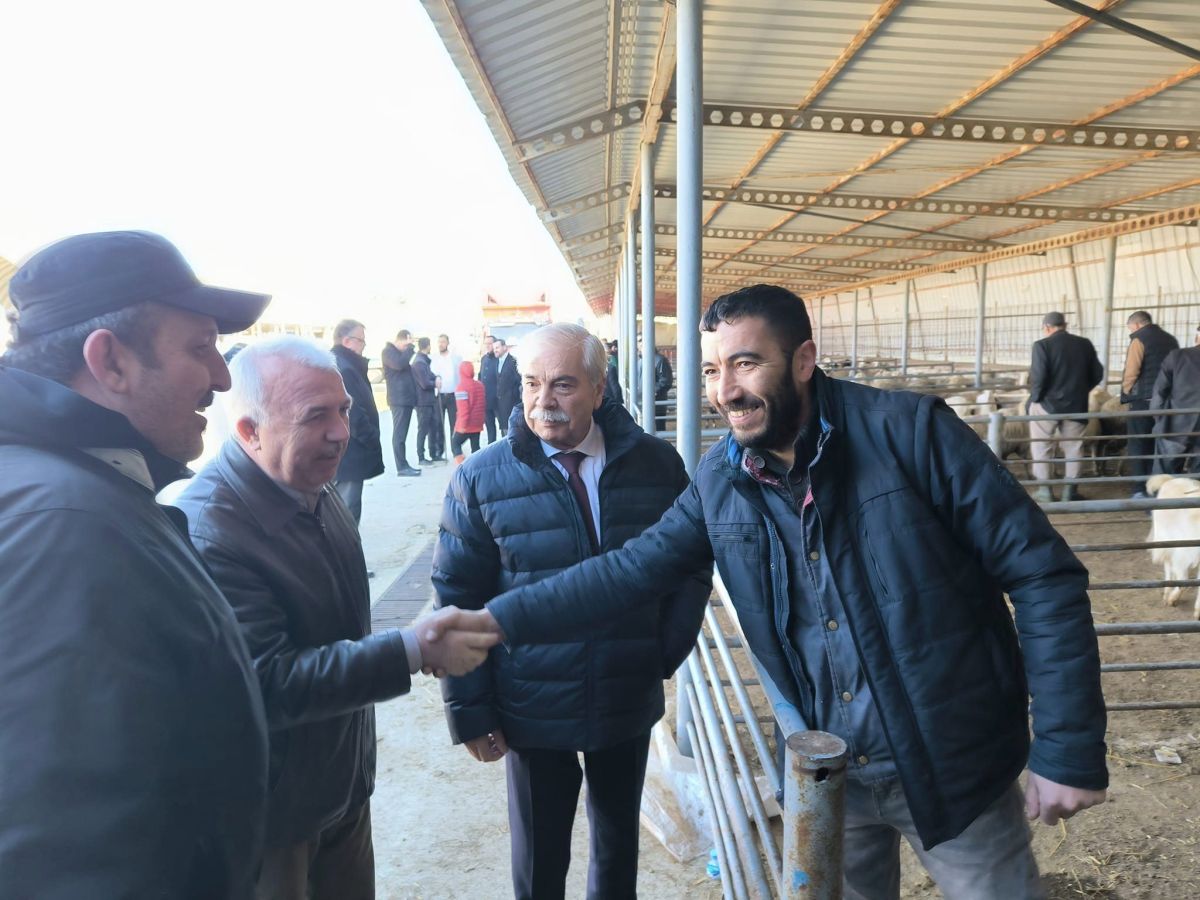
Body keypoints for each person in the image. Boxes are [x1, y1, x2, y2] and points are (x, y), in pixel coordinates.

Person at [469, 285, 1108, 900]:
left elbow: (1042, 574)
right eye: (713, 370)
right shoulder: (721, 478)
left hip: (948, 762)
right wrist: (493, 622)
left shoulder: (910, 434)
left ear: (803, 360)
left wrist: (1068, 747)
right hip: (824, 770)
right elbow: (630, 570)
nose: (726, 390)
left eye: (746, 363)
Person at [175, 338, 499, 900]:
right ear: (250, 431)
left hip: (339, 786)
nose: (340, 433)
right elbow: (268, 682)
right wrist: (412, 649)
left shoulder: (311, 486)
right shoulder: (211, 532)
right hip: (275, 819)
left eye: (344, 409)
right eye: (315, 416)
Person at [0, 230, 271, 898]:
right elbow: (71, 850)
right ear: (110, 361)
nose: (222, 378)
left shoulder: (83, 490)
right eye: (200, 348)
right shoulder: (64, 524)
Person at [432, 323, 711, 900]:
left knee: (617, 849)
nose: (543, 401)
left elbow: (689, 565)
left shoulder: (657, 467)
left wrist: (661, 652)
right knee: (539, 856)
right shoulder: (481, 477)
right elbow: (458, 594)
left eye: (562, 384)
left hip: (624, 690)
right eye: (531, 383)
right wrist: (471, 709)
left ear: (599, 388)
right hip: (530, 698)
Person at [1027, 311, 1104, 502]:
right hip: (1076, 404)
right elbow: (1098, 373)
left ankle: (1045, 491)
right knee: (1074, 447)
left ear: (1047, 327)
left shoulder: (1042, 345)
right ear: (1065, 325)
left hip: (1047, 404)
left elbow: (1039, 377)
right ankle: (1070, 492)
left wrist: (1035, 398)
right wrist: (1081, 390)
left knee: (1041, 445)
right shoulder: (1084, 344)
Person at [330, 319, 384, 524]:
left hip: (347, 450)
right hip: (349, 451)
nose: (364, 346)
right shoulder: (343, 368)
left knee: (342, 508)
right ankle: (344, 545)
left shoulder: (343, 364)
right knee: (346, 511)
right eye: (361, 341)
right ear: (347, 341)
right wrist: (371, 437)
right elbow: (351, 411)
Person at [1121, 310, 1179, 498]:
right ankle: (1159, 489)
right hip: (1167, 401)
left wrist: (1127, 392)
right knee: (1160, 444)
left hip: (1143, 401)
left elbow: (1131, 371)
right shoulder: (1171, 339)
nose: (1131, 332)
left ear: (1137, 325)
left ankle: (1140, 489)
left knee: (1139, 443)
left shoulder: (1139, 339)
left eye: (1130, 328)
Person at [1151, 325, 1200, 475]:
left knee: (1165, 472)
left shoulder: (1177, 356)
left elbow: (1160, 391)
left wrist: (1158, 418)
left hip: (1175, 423)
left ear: (1196, 338)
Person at [382, 329, 421, 477]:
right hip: (398, 400)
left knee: (402, 434)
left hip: (406, 399)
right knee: (399, 434)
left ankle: (404, 465)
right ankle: (401, 467)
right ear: (399, 340)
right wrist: (410, 348)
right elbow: (399, 364)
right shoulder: (388, 352)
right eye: (406, 345)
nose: (407, 349)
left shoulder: (398, 354)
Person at [431, 333, 461, 461]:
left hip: (453, 395)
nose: (440, 344)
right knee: (439, 424)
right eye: (439, 342)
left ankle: (456, 450)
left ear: (448, 343)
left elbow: (460, 375)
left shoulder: (455, 358)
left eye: (443, 342)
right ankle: (439, 451)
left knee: (454, 424)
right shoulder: (433, 358)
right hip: (439, 395)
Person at [635, 332, 674, 432]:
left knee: (659, 432)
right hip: (642, 403)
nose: (641, 343)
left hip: (656, 404)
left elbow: (666, 381)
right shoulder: (639, 361)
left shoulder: (660, 360)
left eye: (643, 339)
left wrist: (651, 392)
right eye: (639, 341)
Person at [451, 359, 485, 464]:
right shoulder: (480, 385)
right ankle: (478, 466)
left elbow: (463, 410)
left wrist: (461, 426)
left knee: (455, 443)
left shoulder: (461, 387)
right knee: (475, 447)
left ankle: (462, 466)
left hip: (467, 424)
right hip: (477, 423)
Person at [412, 336, 439, 464]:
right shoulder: (419, 362)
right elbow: (424, 383)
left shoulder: (424, 361)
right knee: (423, 429)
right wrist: (435, 383)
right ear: (428, 346)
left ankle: (433, 454)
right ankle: (421, 457)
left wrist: (437, 377)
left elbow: (431, 375)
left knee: (433, 427)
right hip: (422, 402)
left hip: (429, 401)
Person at [493, 336, 521, 434]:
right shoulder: (496, 362)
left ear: (504, 347)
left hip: (511, 402)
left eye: (497, 347)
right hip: (499, 403)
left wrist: (512, 395)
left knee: (511, 430)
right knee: (503, 429)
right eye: (494, 348)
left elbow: (518, 380)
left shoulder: (513, 361)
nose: (495, 350)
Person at [479, 333, 500, 443]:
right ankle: (491, 446)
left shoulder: (499, 359)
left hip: (498, 399)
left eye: (490, 343)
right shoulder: (484, 359)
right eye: (485, 343)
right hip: (486, 399)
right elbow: (480, 377)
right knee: (490, 427)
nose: (487, 346)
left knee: (504, 426)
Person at [604, 339, 623, 406]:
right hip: (610, 404)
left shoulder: (591, 370)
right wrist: (619, 404)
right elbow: (615, 388)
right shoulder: (610, 368)